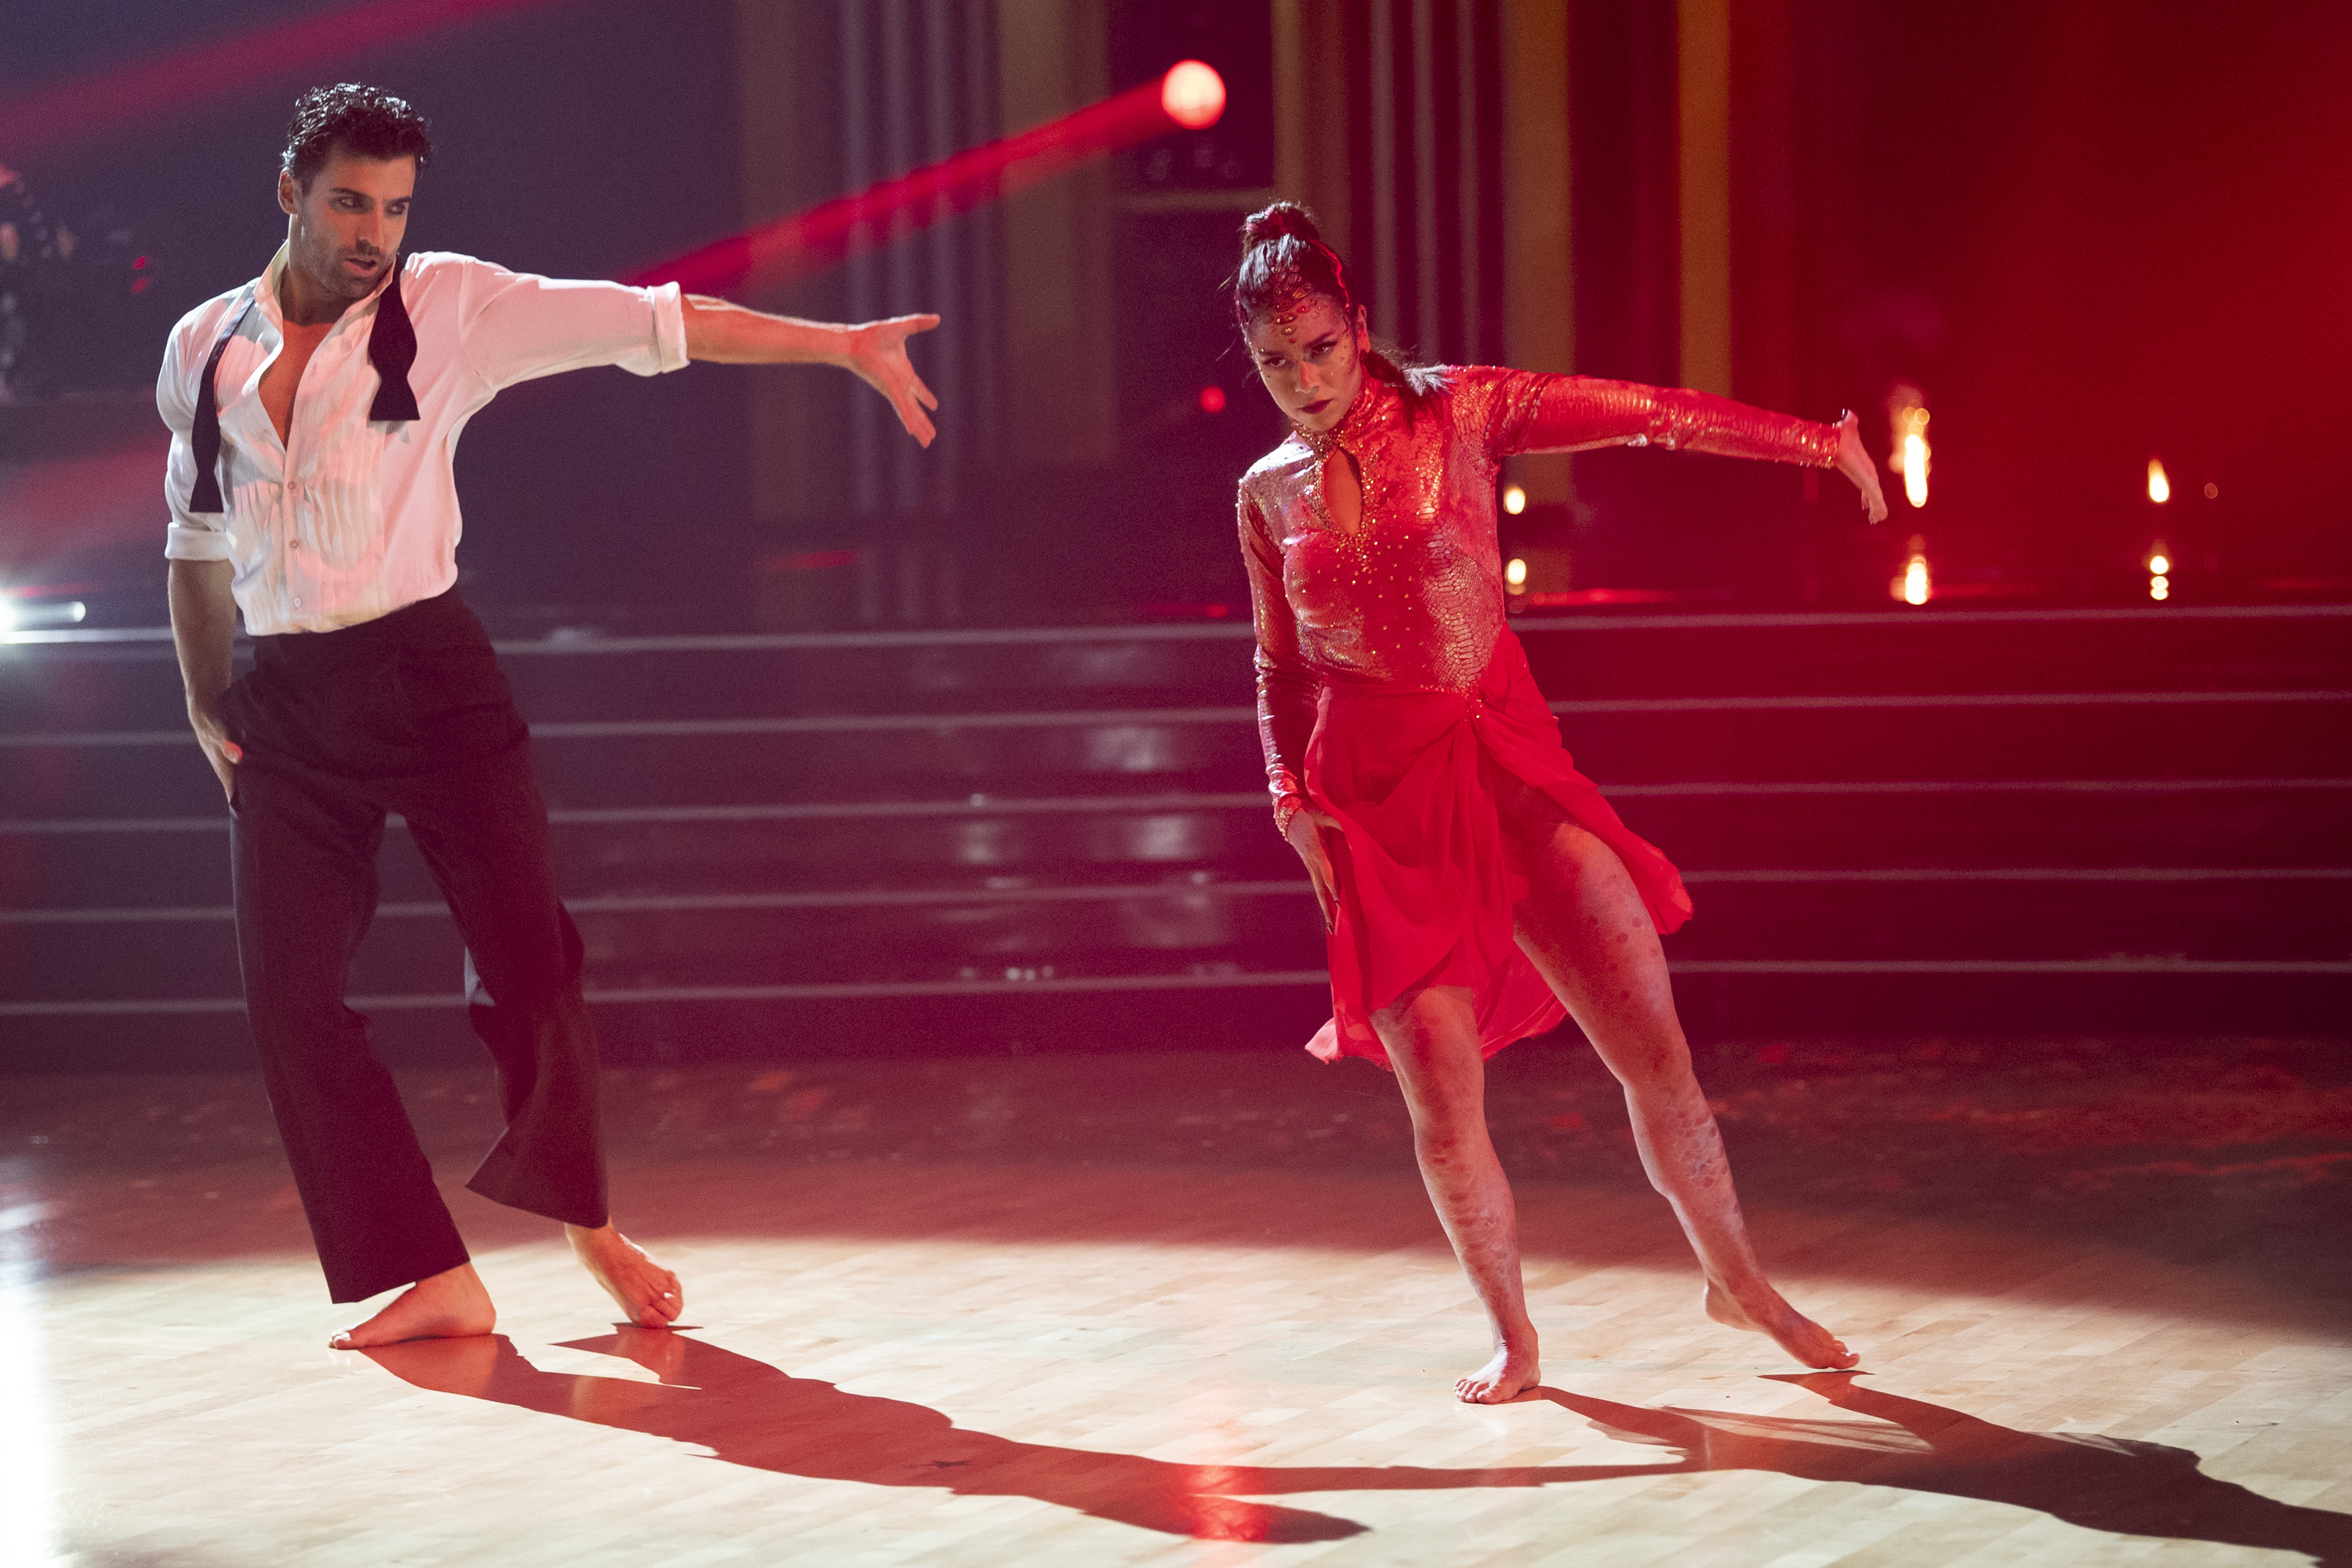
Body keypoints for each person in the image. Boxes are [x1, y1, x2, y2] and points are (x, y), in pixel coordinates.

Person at [160, 84, 940, 1349]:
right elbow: (194, 539)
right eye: (351, 203)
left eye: (397, 209)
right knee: (287, 996)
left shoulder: (452, 306)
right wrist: (205, 698)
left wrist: (838, 344)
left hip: (430, 676)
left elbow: (656, 326)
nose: (375, 233)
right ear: (290, 193)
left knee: (529, 965)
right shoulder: (202, 346)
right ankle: (428, 1272)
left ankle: (587, 1226)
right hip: (288, 703)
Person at [1232, 203, 1887, 1403]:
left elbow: (1648, 416)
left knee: (1656, 1054)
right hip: (1380, 808)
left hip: (1506, 760)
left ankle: (1739, 1277)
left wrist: (1815, 445)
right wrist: (1286, 793)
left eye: (1319, 348)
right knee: (1441, 1110)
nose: (1303, 381)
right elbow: (1280, 664)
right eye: (1275, 363)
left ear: (1356, 327)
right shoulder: (1263, 494)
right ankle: (1515, 1340)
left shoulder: (1458, 411)